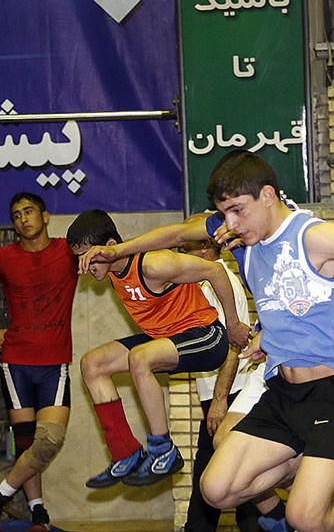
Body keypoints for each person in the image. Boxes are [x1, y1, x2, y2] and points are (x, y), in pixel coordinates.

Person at [83, 150, 334, 532]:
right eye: (224, 213)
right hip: (282, 394)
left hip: (333, 395)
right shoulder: (242, 238)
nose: (230, 224)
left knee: (308, 517)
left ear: (267, 196)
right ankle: (310, 475)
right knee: (216, 489)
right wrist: (119, 251)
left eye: (238, 211)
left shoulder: (314, 236)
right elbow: (179, 232)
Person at [68, 209, 250, 489]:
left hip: (207, 337)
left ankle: (163, 449)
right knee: (92, 363)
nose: (87, 267)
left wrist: (234, 324)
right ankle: (125, 452)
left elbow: (214, 271)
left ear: (111, 247)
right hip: (167, 339)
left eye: (90, 258)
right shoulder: (114, 273)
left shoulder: (153, 265)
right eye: (81, 259)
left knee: (139, 358)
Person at [147, 227, 271, 532]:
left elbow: (235, 340)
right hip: (214, 388)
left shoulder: (222, 282)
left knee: (236, 471)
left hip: (233, 390)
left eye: (185, 247)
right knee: (207, 466)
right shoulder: (199, 282)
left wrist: (219, 400)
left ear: (205, 248)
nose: (180, 254)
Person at [0, 193, 76, 532]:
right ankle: (38, 511)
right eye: (16, 215)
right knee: (27, 444)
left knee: (49, 441)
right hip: (16, 364)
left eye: (29, 212)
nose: (23, 219)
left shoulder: (67, 251)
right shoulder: (3, 257)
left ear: (45, 216)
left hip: (54, 363)